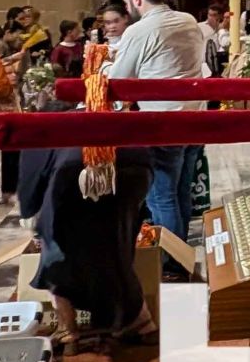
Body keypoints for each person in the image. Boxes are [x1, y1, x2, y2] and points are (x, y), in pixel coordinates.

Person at [18, 143, 157, 351]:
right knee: (117, 246)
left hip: (74, 171)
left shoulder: (40, 129)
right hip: (134, 166)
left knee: (55, 251)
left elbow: (31, 181)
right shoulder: (107, 116)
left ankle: (68, 329)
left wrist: (30, 213)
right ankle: (142, 323)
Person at [111, 0, 207, 243]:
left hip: (164, 124)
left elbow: (118, 80)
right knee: (181, 193)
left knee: (162, 197)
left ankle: (172, 263)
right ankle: (182, 258)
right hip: (195, 120)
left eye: (127, 2)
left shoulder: (139, 31)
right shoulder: (188, 21)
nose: (128, 8)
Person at [200, 3, 230, 74]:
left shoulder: (225, 29)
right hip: (204, 65)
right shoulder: (200, 27)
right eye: (209, 15)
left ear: (220, 16)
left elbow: (225, 45)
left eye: (214, 15)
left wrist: (223, 29)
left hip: (221, 65)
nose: (210, 18)